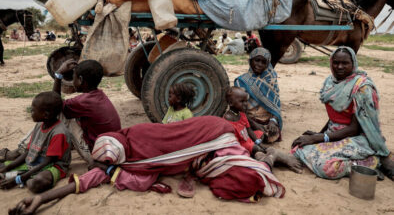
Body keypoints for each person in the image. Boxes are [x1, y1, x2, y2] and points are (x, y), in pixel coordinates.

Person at [9, 117, 290, 214]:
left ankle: (266, 157)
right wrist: (40, 200)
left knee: (244, 173)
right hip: (207, 151)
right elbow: (86, 181)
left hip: (212, 134)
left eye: (106, 161)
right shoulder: (123, 163)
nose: (104, 166)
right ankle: (266, 158)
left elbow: (173, 136)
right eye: (106, 163)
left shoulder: (137, 140)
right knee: (241, 179)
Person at [292, 46, 394, 180]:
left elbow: (354, 129)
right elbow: (334, 117)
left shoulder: (362, 88)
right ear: (331, 63)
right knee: (298, 149)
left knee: (326, 167)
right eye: (336, 62)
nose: (339, 67)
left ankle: (370, 163)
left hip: (358, 138)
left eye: (345, 63)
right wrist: (320, 134)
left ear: (353, 64)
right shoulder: (330, 82)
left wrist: (319, 138)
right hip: (334, 133)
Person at [2, 59, 121, 165]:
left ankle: (21, 150)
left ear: (80, 80)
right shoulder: (98, 95)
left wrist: (58, 74)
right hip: (111, 148)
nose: (72, 80)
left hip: (96, 152)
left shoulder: (84, 101)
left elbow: (54, 104)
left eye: (73, 77)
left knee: (56, 114)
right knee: (68, 117)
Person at [0, 92, 71, 193]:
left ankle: (22, 177)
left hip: (53, 167)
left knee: (37, 182)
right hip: (34, 163)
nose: (31, 112)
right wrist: (7, 167)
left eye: (33, 110)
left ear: (45, 115)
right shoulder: (39, 125)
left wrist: (20, 179)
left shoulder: (58, 133)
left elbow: (48, 162)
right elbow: (28, 153)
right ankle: (19, 175)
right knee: (2, 167)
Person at [234, 48, 282, 143]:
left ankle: (259, 136)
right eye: (257, 60)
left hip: (267, 120)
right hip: (248, 119)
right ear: (250, 60)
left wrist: (273, 121)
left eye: (263, 62)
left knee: (272, 133)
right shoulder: (242, 81)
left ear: (267, 65)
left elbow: (276, 106)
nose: (259, 64)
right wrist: (254, 124)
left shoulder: (271, 80)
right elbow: (238, 109)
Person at [223, 87, 266, 156]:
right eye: (242, 101)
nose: (246, 104)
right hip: (239, 144)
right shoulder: (227, 119)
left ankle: (254, 149)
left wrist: (258, 142)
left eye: (246, 101)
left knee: (260, 134)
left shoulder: (242, 114)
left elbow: (249, 130)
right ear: (231, 103)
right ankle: (253, 151)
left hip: (247, 138)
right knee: (255, 148)